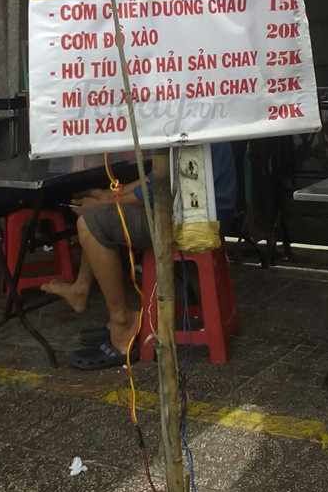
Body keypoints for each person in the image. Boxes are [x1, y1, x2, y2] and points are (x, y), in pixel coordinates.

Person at [42, 143, 237, 370]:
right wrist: (110, 194)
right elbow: (156, 178)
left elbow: (160, 190)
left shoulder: (188, 127)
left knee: (89, 221)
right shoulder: (188, 123)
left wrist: (105, 202)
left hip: (195, 219)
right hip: (202, 210)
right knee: (97, 216)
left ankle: (123, 323)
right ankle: (80, 288)